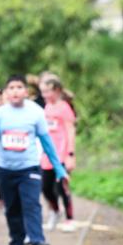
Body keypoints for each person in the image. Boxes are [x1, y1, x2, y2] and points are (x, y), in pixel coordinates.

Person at [0, 74, 69, 245]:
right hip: (5, 169)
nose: (15, 91)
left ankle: (37, 243)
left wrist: (59, 169)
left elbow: (47, 142)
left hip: (29, 167)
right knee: (12, 208)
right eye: (11, 88)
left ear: (26, 92)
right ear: (6, 93)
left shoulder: (36, 112)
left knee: (31, 205)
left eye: (19, 87)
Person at [40, 76, 77, 231]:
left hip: (61, 154)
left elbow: (70, 130)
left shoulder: (64, 107)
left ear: (56, 90)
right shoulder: (46, 108)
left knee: (62, 187)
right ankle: (55, 211)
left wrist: (70, 154)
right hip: (46, 156)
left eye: (47, 91)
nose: (45, 95)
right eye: (43, 92)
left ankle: (70, 219)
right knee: (46, 188)